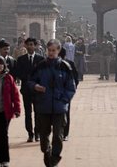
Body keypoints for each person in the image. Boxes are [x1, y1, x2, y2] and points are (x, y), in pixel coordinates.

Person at [30, 39, 77, 167]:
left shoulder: (65, 67)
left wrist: (64, 100)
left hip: (59, 107)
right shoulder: (40, 66)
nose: (51, 53)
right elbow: (30, 81)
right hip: (43, 106)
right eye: (49, 50)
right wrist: (35, 86)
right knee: (44, 135)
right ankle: (46, 151)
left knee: (58, 135)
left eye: (54, 50)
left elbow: (71, 88)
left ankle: (55, 157)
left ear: (58, 51)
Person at [15, 37, 45, 143]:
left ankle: (37, 133)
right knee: (28, 113)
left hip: (37, 90)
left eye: (32, 44)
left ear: (36, 46)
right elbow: (18, 73)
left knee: (38, 112)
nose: (30, 46)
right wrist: (27, 78)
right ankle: (30, 133)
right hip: (26, 90)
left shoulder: (41, 59)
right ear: (25, 46)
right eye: (28, 44)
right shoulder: (21, 59)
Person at [58, 45, 80, 141]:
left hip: (63, 92)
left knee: (63, 113)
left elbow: (75, 79)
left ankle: (63, 133)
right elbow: (76, 79)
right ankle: (63, 133)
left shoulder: (69, 64)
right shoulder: (53, 64)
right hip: (62, 92)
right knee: (65, 113)